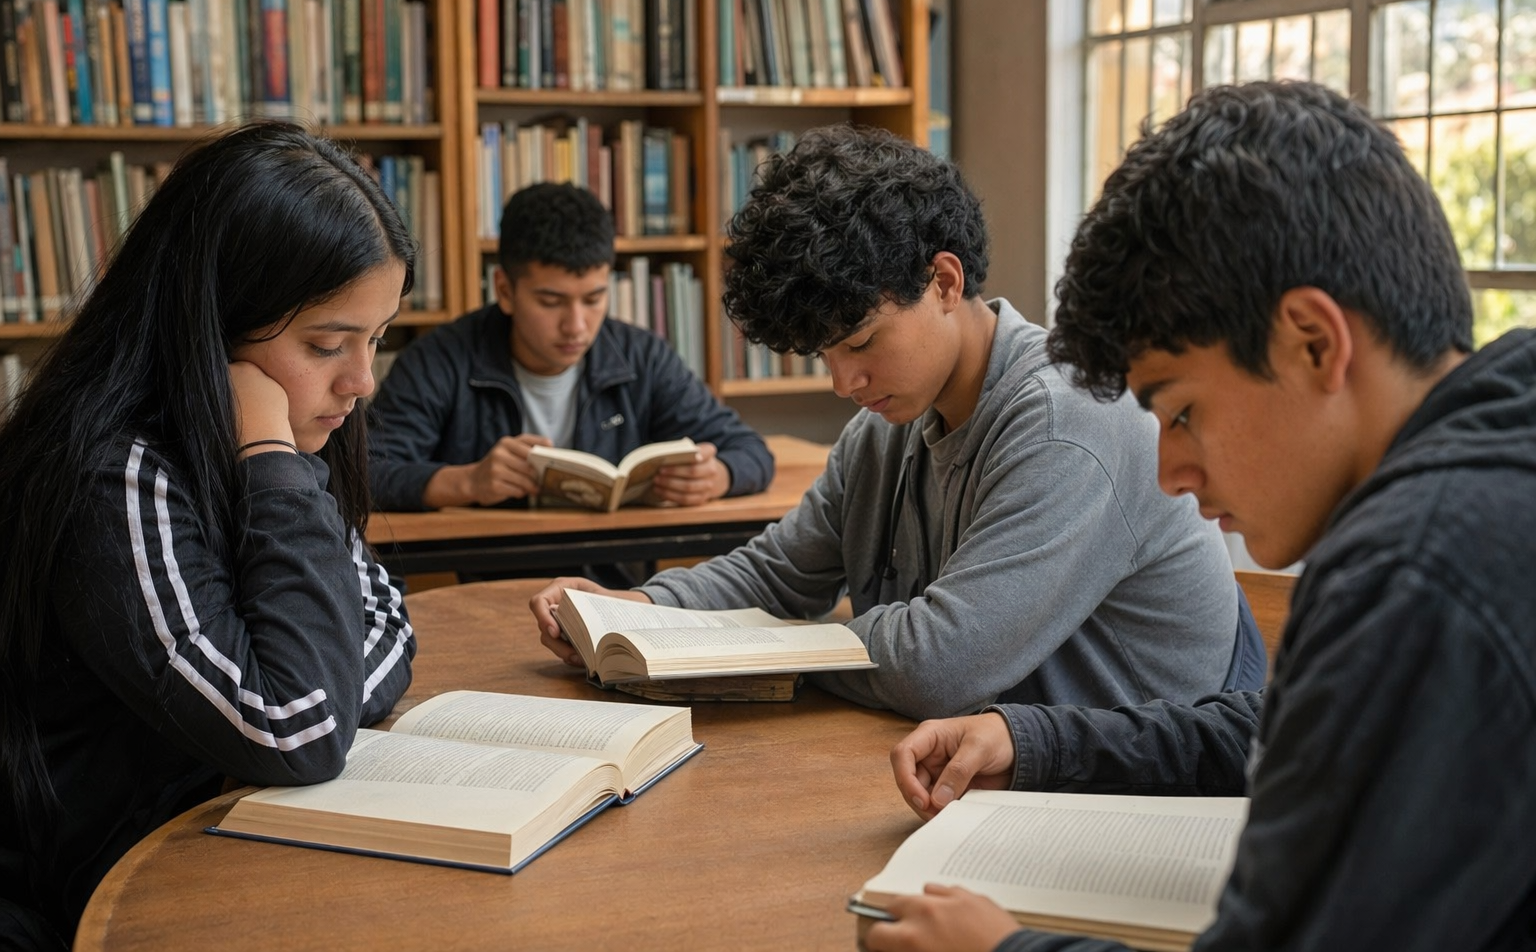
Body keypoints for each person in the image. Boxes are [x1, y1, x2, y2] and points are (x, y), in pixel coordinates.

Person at [873, 80, 1536, 952]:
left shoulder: (1416, 573)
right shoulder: (1500, 427)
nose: (1172, 474)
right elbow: (1282, 730)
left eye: (1180, 411)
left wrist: (1005, 951)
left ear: (1313, 342)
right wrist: (1031, 740)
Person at [529, 124, 1264, 722]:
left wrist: (770, 651)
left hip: (1135, 800)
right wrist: (641, 610)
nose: (844, 382)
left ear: (945, 282)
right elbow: (782, 573)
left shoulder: (1066, 421)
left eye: (860, 343)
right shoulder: (887, 426)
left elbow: (937, 669)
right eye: (825, 354)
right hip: (992, 775)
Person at [0, 123, 418, 951]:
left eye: (376, 339)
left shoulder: (293, 444)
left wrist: (311, 698)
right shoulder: (113, 476)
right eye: (327, 344)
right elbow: (297, 730)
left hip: (211, 848)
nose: (362, 382)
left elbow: (388, 623)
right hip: (94, 901)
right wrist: (267, 456)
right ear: (213, 328)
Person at [366, 181, 774, 514]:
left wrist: (718, 475)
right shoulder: (440, 360)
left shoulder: (641, 357)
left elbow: (751, 451)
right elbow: (366, 473)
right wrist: (466, 481)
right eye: (551, 302)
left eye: (594, 299)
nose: (576, 326)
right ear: (505, 290)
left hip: (613, 588)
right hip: (485, 579)